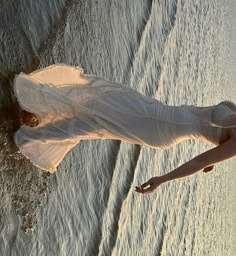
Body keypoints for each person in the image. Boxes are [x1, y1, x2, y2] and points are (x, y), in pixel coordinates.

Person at [13, 64, 236, 194]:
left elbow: (199, 162)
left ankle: (26, 137)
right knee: (96, 104)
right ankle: (33, 118)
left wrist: (162, 179)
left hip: (160, 128)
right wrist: (217, 155)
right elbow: (217, 117)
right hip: (158, 112)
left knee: (95, 118)